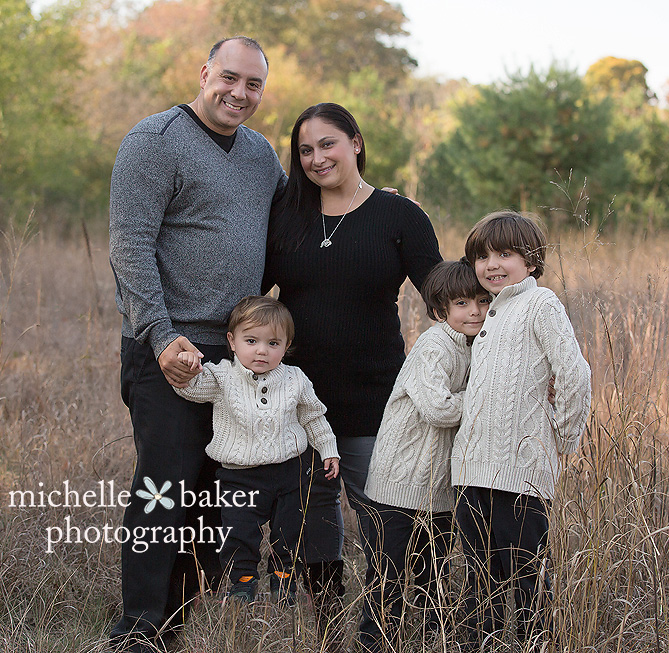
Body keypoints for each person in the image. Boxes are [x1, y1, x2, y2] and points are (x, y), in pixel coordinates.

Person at [107, 36, 286, 651]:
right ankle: (137, 631)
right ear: (204, 71)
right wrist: (159, 335)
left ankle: (174, 629)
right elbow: (130, 249)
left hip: (237, 356)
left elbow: (299, 217)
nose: (240, 93)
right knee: (167, 488)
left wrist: (373, 204)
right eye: (229, 78)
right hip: (170, 350)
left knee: (213, 499)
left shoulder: (261, 155)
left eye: (254, 85)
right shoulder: (154, 141)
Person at [263, 102, 443, 630]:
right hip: (298, 404)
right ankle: (329, 629)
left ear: (356, 142)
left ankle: (380, 628)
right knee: (311, 529)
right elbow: (253, 294)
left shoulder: (399, 216)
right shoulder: (287, 217)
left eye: (328, 144)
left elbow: (442, 293)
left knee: (389, 524)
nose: (317, 158)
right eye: (305, 150)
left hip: (376, 399)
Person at [451, 211, 592, 648]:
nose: (492, 264)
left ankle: (535, 643)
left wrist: (564, 437)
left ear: (531, 261)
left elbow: (574, 373)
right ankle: (484, 643)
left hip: (522, 475)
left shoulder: (539, 303)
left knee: (529, 577)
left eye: (505, 254)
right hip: (472, 473)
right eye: (483, 256)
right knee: (479, 581)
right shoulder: (486, 312)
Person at [358, 260, 491, 652]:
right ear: (440, 310)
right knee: (388, 578)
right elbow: (439, 408)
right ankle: (374, 644)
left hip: (438, 489)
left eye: (483, 302)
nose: (475, 312)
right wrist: (482, 399)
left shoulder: (473, 346)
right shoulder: (435, 346)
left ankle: (435, 642)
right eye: (463, 303)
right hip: (399, 486)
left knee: (433, 577)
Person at [173, 296, 341, 604]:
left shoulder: (295, 379)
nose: (262, 350)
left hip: (290, 472)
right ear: (232, 342)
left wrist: (328, 448)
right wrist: (188, 366)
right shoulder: (222, 376)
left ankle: (282, 578)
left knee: (289, 530)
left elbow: (313, 415)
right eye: (251, 341)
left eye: (273, 343)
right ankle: (243, 582)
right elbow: (190, 388)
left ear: (286, 345)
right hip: (240, 477)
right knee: (239, 532)